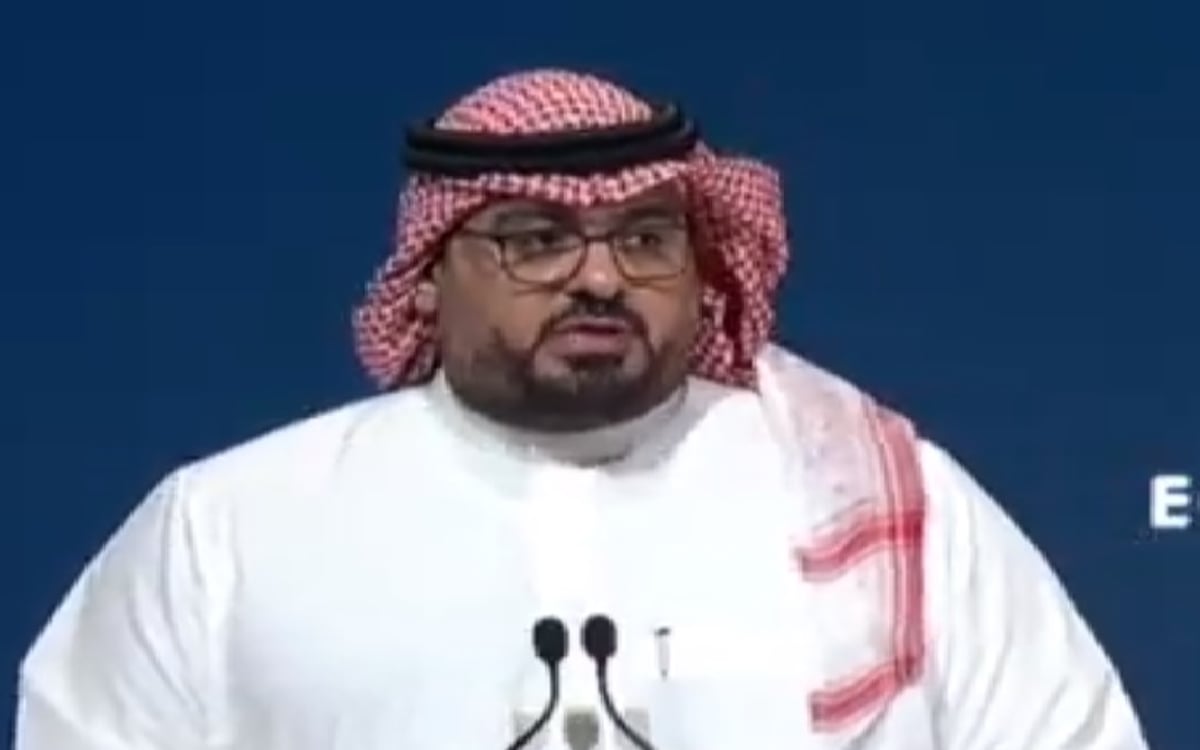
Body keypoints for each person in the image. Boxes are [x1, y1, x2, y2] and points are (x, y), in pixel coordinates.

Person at [15, 69, 1148, 750]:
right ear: (428, 274)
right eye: (535, 239)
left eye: (646, 239)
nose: (600, 277)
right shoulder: (230, 526)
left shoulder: (872, 495)